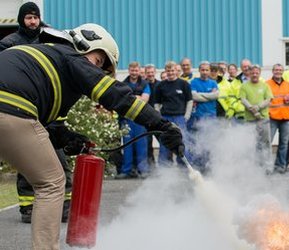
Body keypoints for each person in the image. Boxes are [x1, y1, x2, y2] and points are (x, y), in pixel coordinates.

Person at [0, 23, 184, 250]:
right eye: (98, 61)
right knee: (51, 183)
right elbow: (115, 95)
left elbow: (47, 126)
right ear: (83, 44)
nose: (97, 69)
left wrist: (68, 137)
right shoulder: (70, 56)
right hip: (10, 108)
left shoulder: (44, 58)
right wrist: (161, 125)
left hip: (12, 108)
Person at [0, 1, 76, 224]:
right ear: (21, 20)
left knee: (58, 159)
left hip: (49, 110)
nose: (32, 21)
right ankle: (28, 207)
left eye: (35, 17)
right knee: (29, 161)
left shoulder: (48, 38)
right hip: (21, 108)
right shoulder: (8, 43)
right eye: (28, 18)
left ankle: (65, 206)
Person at [116, 61, 151, 179]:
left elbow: (144, 101)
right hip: (126, 120)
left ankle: (143, 170)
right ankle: (126, 171)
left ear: (139, 70)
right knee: (127, 147)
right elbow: (122, 101)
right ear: (129, 70)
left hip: (140, 120)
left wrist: (131, 98)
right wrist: (137, 97)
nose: (134, 72)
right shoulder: (123, 84)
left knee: (141, 146)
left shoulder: (145, 84)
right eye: (132, 70)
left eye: (136, 70)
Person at [154, 61, 193, 165]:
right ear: (165, 71)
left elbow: (189, 101)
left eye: (172, 70)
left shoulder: (184, 84)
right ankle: (164, 167)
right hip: (166, 118)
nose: (170, 72)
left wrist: (187, 116)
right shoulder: (160, 86)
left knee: (182, 142)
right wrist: (159, 117)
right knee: (164, 142)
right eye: (168, 71)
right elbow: (156, 103)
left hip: (180, 117)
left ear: (177, 71)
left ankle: (185, 166)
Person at [240, 65, 273, 173]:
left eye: (256, 73)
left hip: (263, 119)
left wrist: (258, 107)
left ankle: (267, 166)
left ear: (259, 73)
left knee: (266, 143)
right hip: (249, 120)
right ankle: (252, 167)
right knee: (250, 144)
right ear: (249, 73)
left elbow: (268, 99)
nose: (254, 75)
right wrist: (252, 109)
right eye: (252, 73)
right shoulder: (244, 86)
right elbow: (243, 99)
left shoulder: (265, 86)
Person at [267, 64, 289, 173]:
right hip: (272, 118)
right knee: (268, 143)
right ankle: (267, 166)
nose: (278, 72)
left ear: (283, 71)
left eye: (280, 70)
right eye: (276, 70)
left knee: (284, 144)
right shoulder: (266, 84)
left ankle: (280, 166)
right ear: (272, 71)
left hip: (286, 118)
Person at [189, 61, 219, 172]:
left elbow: (216, 95)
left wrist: (201, 96)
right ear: (199, 70)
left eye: (207, 70)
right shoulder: (194, 82)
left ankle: (209, 165)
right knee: (199, 141)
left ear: (209, 71)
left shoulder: (213, 83)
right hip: (198, 117)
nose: (205, 72)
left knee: (210, 141)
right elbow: (194, 96)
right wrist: (209, 96)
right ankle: (199, 166)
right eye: (203, 70)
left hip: (211, 116)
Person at [145, 64, 160, 166]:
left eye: (152, 72)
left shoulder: (160, 84)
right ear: (146, 73)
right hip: (146, 118)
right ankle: (151, 164)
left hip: (158, 117)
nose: (150, 74)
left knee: (162, 140)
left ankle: (166, 163)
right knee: (148, 142)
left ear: (155, 72)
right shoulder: (143, 84)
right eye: (148, 72)